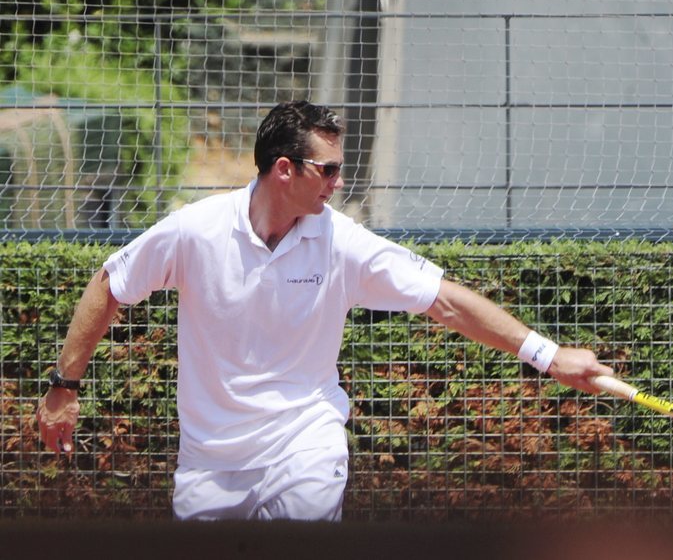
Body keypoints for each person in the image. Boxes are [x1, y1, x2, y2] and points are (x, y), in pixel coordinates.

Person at [36, 100, 614, 521]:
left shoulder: (343, 241)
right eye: (329, 169)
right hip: (210, 465)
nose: (340, 182)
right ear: (284, 168)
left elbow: (443, 300)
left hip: (304, 445)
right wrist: (64, 385)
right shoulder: (195, 231)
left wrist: (549, 355)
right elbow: (110, 283)